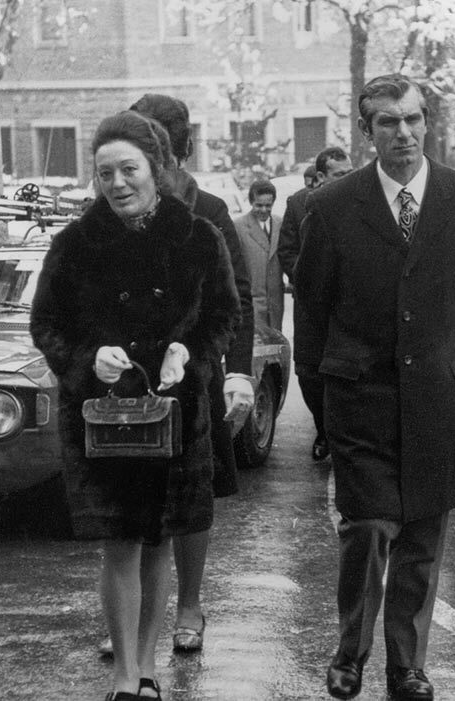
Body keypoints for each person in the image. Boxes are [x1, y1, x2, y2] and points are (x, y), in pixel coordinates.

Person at [295, 74, 455, 701]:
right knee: (368, 527)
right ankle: (350, 651)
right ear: (367, 132)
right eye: (388, 121)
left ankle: (407, 665)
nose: (403, 133)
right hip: (362, 396)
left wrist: (441, 354)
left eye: (413, 119)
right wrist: (325, 400)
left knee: (423, 534)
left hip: (441, 392)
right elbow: (313, 308)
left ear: (426, 122)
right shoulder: (331, 206)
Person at [30, 111, 241, 701]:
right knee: (120, 543)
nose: (117, 183)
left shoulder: (199, 237)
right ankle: (126, 676)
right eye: (105, 174)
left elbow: (224, 316)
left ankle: (147, 667)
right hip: (101, 419)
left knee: (159, 542)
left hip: (175, 415)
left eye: (129, 169)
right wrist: (86, 360)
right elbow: (45, 324)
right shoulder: (74, 245)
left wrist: (188, 353)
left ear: (157, 167)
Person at [129, 93, 255, 655]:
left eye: (154, 142)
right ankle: (135, 615)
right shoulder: (113, 205)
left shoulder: (210, 209)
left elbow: (238, 298)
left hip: (193, 376)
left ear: (178, 148)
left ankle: (189, 606)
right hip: (129, 379)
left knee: (192, 496)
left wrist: (238, 374)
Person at [277, 145, 353, 461]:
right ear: (320, 176)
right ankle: (323, 429)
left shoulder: (361, 202)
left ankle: (343, 436)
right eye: (339, 174)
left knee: (347, 373)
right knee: (309, 373)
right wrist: (310, 280)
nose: (346, 179)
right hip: (310, 307)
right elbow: (287, 251)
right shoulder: (298, 204)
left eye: (349, 173)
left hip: (349, 307)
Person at [235, 180, 285, 331]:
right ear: (251, 202)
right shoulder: (239, 226)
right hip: (251, 303)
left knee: (275, 343)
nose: (264, 210)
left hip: (276, 304)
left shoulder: (281, 223)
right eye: (259, 205)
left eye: (268, 205)